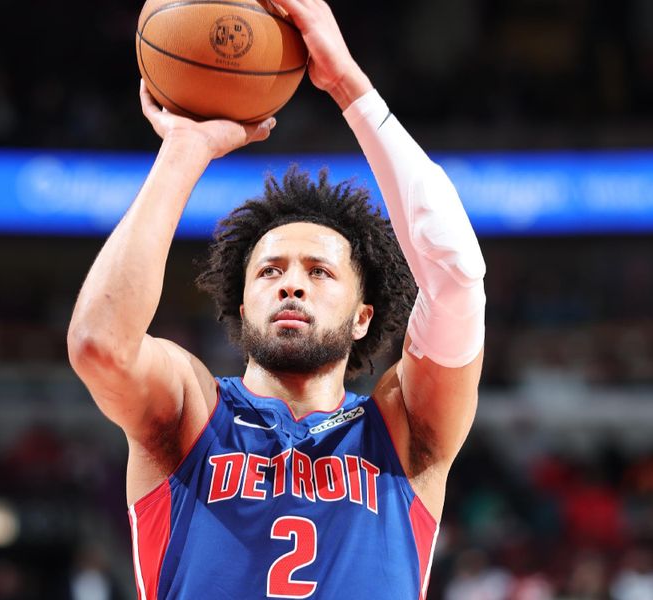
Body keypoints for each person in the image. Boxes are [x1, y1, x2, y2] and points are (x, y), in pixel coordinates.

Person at [67, 0, 486, 597]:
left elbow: (457, 271)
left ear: (363, 316)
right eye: (269, 272)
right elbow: (98, 345)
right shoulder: (192, 410)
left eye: (319, 271)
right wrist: (184, 149)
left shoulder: (404, 427)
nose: (291, 283)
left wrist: (349, 85)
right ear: (242, 307)